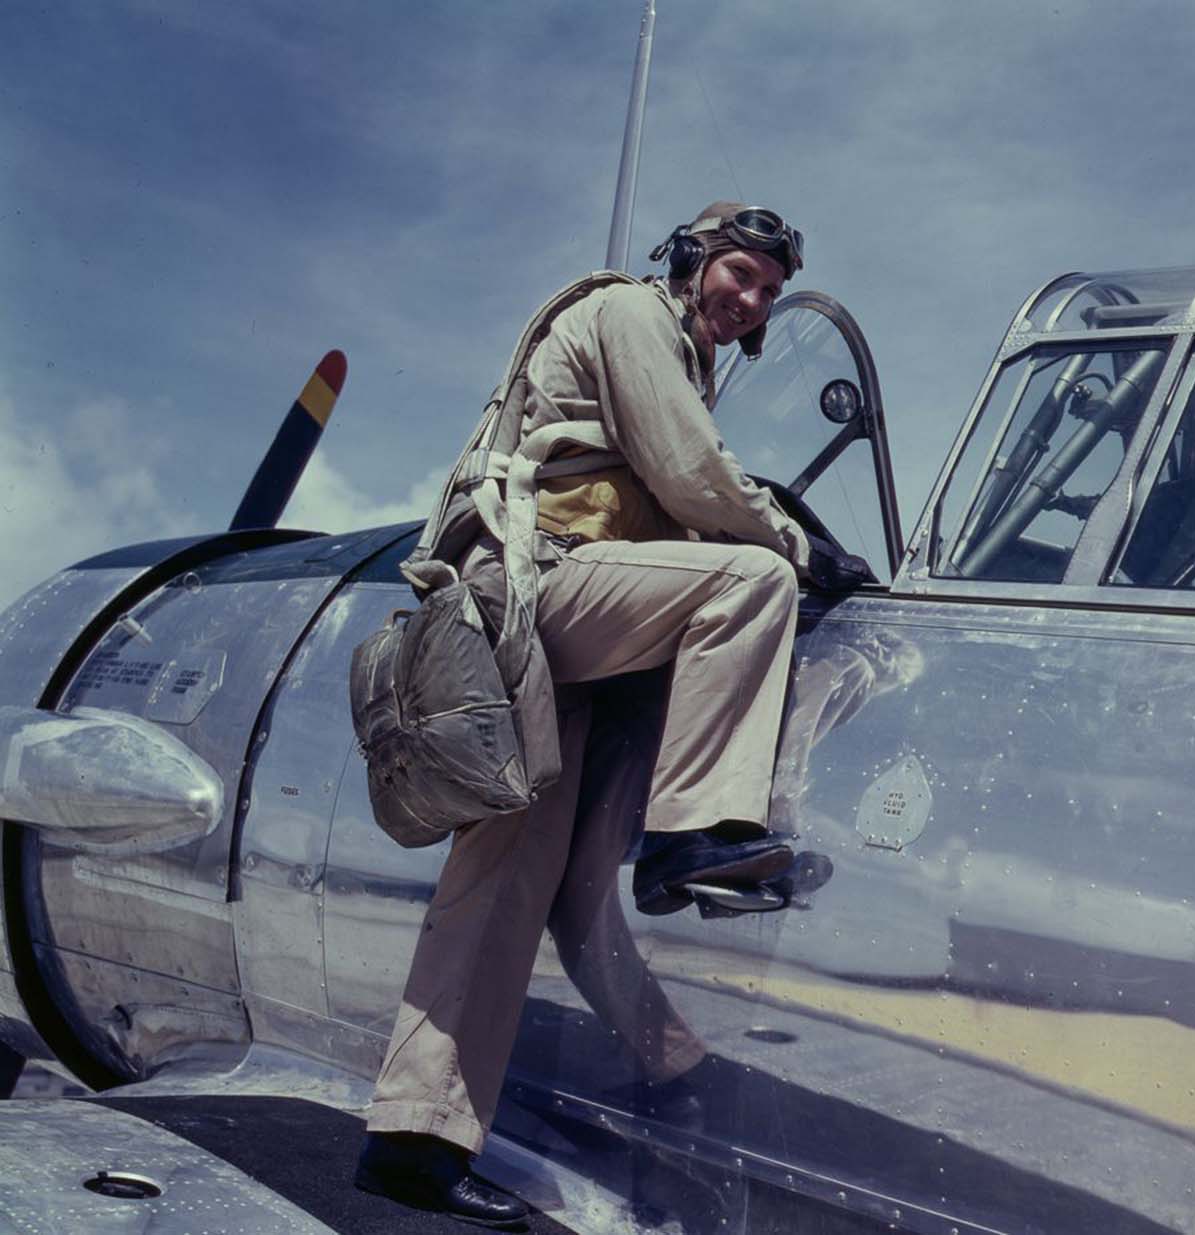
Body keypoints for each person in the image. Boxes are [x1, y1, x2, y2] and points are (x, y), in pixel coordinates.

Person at [354, 202, 871, 1228]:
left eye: (768, 290)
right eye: (739, 273)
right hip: (536, 592)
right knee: (748, 583)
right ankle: (694, 835)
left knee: (515, 882)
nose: (751, 299)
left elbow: (667, 492)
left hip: (555, 636)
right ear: (691, 258)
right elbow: (687, 472)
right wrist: (801, 548)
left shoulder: (684, 349)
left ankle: (413, 1138)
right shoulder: (633, 314)